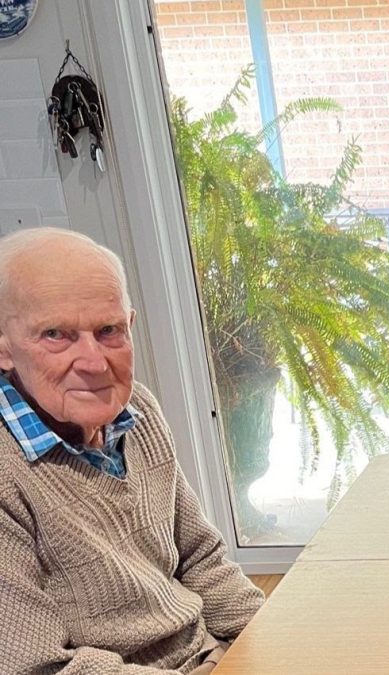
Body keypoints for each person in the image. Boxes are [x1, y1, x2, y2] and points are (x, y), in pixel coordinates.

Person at [0, 228, 264, 673]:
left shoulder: (136, 407)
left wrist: (273, 638)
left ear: (131, 325)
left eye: (108, 331)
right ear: (3, 349)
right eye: (55, 335)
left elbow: (201, 557)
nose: (93, 362)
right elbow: (37, 668)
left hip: (207, 653)